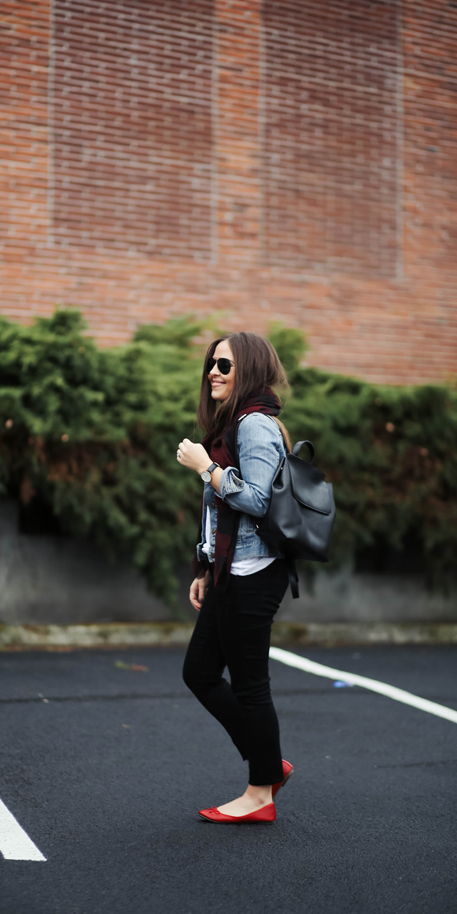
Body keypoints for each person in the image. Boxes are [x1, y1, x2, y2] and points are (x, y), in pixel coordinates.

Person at [177, 331, 294, 824]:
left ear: (246, 368)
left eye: (224, 365)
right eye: (211, 363)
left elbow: (257, 502)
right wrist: (205, 566)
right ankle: (269, 763)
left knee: (250, 686)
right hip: (230, 569)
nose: (214, 372)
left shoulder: (255, 426)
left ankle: (260, 793)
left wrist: (207, 469)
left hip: (255, 571)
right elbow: (222, 515)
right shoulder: (234, 424)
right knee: (199, 673)